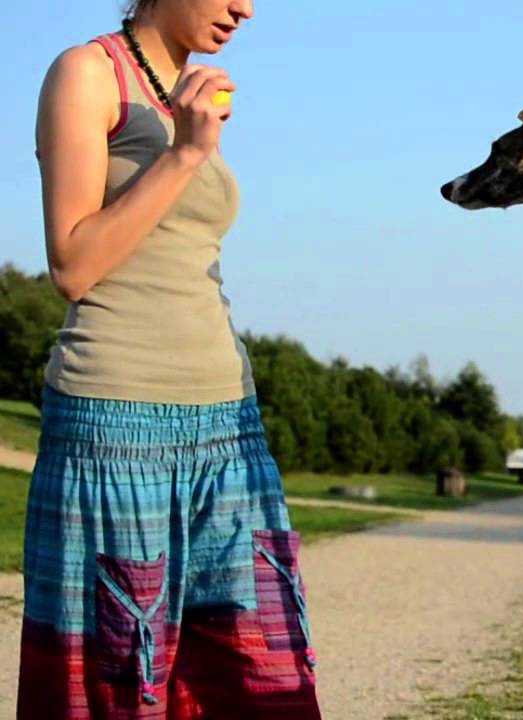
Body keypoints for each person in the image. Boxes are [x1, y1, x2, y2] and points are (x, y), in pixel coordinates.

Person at [19, 1, 323, 717]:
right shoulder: (85, 74)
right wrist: (185, 153)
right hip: (116, 427)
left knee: (262, 686)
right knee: (120, 690)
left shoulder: (189, 89)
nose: (244, 7)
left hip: (226, 426)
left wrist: (192, 139)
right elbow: (72, 263)